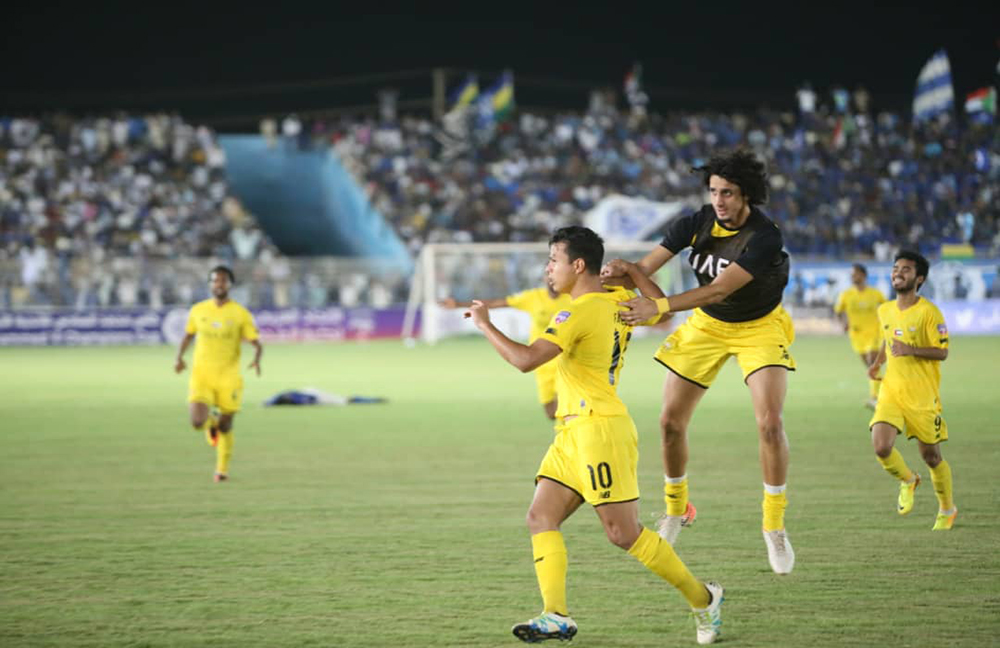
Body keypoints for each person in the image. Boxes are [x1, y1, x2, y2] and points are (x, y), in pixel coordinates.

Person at [466, 226, 724, 645]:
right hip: (572, 431)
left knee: (623, 534)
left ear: (578, 265)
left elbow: (526, 360)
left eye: (554, 260)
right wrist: (633, 273)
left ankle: (704, 599)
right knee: (540, 517)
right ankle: (556, 615)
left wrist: (484, 325)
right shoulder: (618, 300)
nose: (548, 269)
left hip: (599, 430)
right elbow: (661, 311)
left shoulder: (579, 311)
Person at [601, 149, 796, 574]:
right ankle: (676, 509)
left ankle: (774, 526)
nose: (719, 200)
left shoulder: (765, 236)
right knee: (670, 423)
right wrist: (616, 273)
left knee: (769, 423)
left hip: (760, 326)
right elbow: (644, 268)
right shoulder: (695, 222)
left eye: (727, 192)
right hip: (707, 327)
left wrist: (657, 307)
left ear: (747, 196)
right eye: (713, 191)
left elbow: (718, 290)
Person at [867, 251, 956, 530]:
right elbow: (888, 338)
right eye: (896, 268)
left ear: (919, 279)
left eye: (905, 269)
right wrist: (878, 363)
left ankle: (947, 508)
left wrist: (911, 350)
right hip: (891, 390)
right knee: (881, 447)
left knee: (931, 457)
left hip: (922, 396)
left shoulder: (929, 313)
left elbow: (942, 352)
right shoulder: (885, 310)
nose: (898, 273)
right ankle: (908, 480)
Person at [174, 266, 262, 482]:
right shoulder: (198, 310)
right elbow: (188, 336)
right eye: (215, 281)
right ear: (210, 284)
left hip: (229, 376)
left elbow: (256, 342)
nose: (219, 284)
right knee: (196, 421)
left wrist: (256, 358)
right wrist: (179, 358)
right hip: (202, 374)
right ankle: (209, 423)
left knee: (226, 425)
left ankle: (221, 470)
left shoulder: (240, 313)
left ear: (230, 285)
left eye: (223, 281)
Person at [440, 281, 571, 419]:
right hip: (539, 362)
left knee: (565, 405)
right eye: (548, 274)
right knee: (551, 412)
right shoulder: (533, 297)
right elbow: (498, 303)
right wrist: (459, 305)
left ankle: (571, 432)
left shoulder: (570, 299)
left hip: (561, 358)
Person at [834, 264, 887, 408]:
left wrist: (887, 324)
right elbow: (838, 311)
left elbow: (887, 308)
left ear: (863, 275)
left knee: (872, 361)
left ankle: (876, 398)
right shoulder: (846, 294)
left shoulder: (876, 293)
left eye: (855, 274)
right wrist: (843, 323)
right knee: (870, 366)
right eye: (851, 274)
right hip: (857, 336)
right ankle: (882, 392)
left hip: (875, 333)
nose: (853, 277)